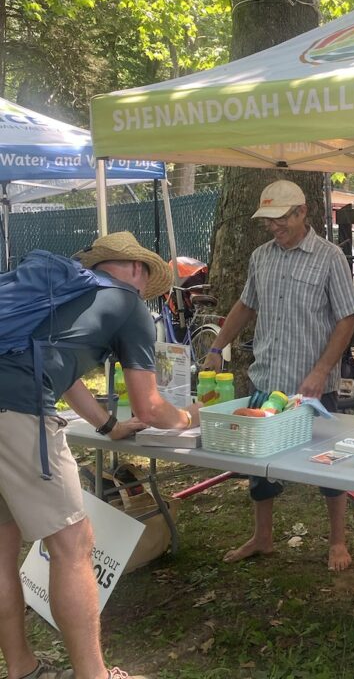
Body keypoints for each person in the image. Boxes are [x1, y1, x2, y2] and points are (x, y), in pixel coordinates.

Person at [0, 231, 202, 679]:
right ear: (135, 268)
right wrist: (188, 418)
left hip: (9, 394)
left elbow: (61, 369)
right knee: (73, 546)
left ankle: (21, 669)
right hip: (16, 408)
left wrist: (107, 426)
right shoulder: (127, 304)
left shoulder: (64, 292)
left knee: (1, 545)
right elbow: (149, 404)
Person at [203, 179, 354, 570]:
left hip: (312, 386)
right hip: (266, 379)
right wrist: (215, 347)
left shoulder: (329, 257)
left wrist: (321, 371)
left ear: (302, 212)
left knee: (329, 464)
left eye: (281, 219)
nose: (274, 227)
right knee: (260, 465)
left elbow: (347, 320)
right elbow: (245, 305)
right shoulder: (261, 257)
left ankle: (338, 542)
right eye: (268, 221)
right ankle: (263, 537)